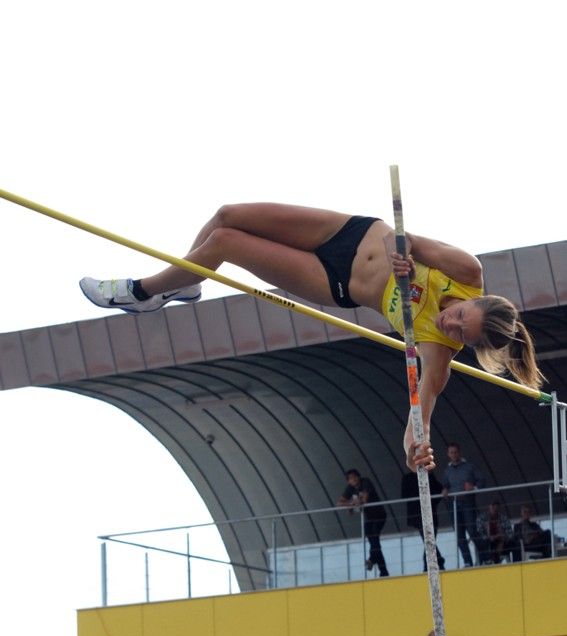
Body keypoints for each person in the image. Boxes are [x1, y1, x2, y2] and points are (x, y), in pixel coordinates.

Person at [80, 203, 543, 468]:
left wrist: (414, 451)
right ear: (473, 298)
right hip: (352, 232)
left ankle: (144, 293)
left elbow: (417, 417)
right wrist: (398, 256)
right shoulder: (466, 271)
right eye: (461, 315)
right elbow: (401, 238)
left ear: (470, 344)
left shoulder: (438, 352)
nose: (452, 324)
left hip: (333, 281)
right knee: (226, 216)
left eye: (463, 333)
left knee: (223, 245)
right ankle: (189, 280)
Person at [442, 443, 486, 566]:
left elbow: (482, 480)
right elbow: (445, 484)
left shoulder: (469, 467)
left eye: (455, 452)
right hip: (454, 505)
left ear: (459, 453)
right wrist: (445, 489)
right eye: (451, 453)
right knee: (459, 534)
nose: (454, 455)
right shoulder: (447, 470)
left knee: (472, 530)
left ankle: (486, 556)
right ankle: (467, 561)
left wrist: (474, 487)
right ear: (448, 454)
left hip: (467, 502)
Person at [338, 469, 389, 576]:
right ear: (348, 481)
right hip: (368, 517)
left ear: (359, 476)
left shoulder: (365, 482)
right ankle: (382, 570)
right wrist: (352, 503)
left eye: (355, 476)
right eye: (351, 478)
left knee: (374, 537)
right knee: (374, 541)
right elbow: (339, 503)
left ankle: (374, 561)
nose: (354, 479)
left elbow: (364, 500)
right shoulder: (350, 488)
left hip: (379, 514)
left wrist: (351, 504)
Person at [401, 469, 445, 571]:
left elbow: (439, 490)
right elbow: (404, 495)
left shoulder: (429, 474)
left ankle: (430, 566)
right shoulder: (407, 478)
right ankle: (437, 562)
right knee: (428, 541)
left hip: (430, 513)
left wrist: (431, 502)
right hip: (418, 515)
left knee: (429, 541)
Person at [475, 500, 514, 564]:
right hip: (487, 543)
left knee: (514, 544)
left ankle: (516, 565)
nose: (495, 509)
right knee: (485, 544)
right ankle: (489, 561)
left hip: (502, 542)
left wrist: (503, 537)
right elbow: (479, 533)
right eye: (493, 506)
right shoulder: (481, 518)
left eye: (496, 507)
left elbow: (510, 534)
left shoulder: (503, 518)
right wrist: (490, 537)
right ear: (489, 507)